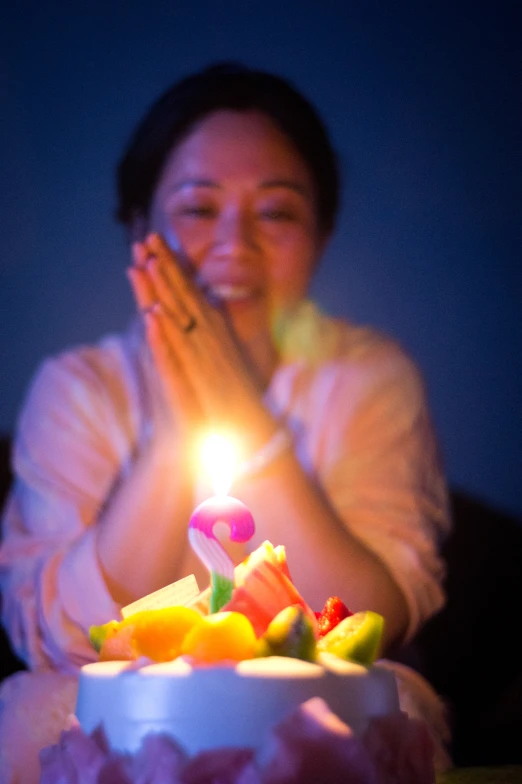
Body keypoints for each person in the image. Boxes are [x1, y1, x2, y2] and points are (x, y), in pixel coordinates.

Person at [0, 62, 451, 778]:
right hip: (122, 703)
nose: (236, 244)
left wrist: (245, 417)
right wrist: (182, 422)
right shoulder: (78, 388)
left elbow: (372, 618)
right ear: (138, 226)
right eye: (198, 208)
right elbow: (62, 640)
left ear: (323, 235)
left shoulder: (367, 377)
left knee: (393, 706)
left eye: (276, 212)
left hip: (322, 705)